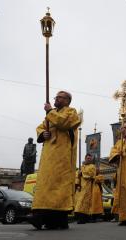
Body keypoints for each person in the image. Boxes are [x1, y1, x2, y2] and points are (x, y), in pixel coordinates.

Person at [30, 91, 81, 230]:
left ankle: (57, 218)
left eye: (59, 97)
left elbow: (65, 123)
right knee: (45, 185)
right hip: (48, 156)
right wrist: (43, 133)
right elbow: (41, 127)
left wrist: (50, 111)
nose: (56, 99)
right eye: (56, 97)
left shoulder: (71, 112)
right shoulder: (50, 115)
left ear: (67, 100)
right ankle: (42, 215)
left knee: (58, 185)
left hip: (62, 156)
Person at [74, 154, 96, 224]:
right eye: (87, 158)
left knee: (83, 202)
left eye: (90, 158)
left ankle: (83, 219)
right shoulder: (82, 166)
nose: (88, 159)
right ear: (85, 158)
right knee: (79, 202)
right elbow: (78, 175)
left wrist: (82, 172)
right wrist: (77, 183)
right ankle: (80, 218)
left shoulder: (92, 166)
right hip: (81, 186)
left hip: (87, 186)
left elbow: (91, 175)